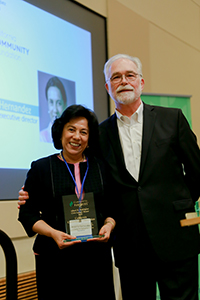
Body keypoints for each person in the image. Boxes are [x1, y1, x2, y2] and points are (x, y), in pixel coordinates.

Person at [19, 54, 200, 300]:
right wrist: (28, 195)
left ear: (141, 82)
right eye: (116, 77)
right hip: (130, 244)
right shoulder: (99, 135)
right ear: (108, 87)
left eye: (130, 75)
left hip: (175, 237)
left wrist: (178, 203)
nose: (123, 81)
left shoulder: (173, 118)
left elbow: (197, 172)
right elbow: (87, 179)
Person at [18, 105, 116, 300]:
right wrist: (53, 233)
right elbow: (27, 214)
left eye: (84, 132)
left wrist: (109, 224)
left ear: (89, 139)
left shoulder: (100, 167)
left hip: (95, 258)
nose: (77, 137)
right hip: (55, 259)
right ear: (61, 132)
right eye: (71, 129)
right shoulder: (41, 168)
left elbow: (113, 206)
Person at [40, 76, 67, 143]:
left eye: (59, 103)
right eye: (51, 102)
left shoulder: (72, 137)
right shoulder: (42, 137)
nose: (55, 110)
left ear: (65, 104)